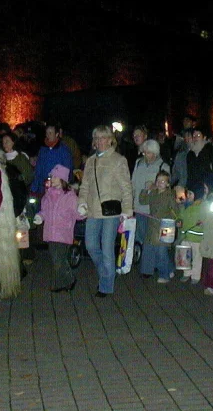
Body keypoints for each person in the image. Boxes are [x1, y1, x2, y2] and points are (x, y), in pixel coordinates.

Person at [77, 125, 133, 298]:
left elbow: (126, 187)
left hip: (111, 212)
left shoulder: (118, 160)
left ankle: (106, 285)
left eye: (103, 138)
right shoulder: (91, 161)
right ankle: (107, 273)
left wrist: (127, 209)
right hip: (93, 210)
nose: (100, 141)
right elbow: (85, 185)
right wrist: (82, 203)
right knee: (91, 246)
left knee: (107, 248)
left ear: (110, 140)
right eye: (97, 138)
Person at [34, 164, 82, 292]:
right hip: (50, 233)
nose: (52, 178)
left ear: (63, 179)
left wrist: (82, 211)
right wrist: (40, 216)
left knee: (58, 260)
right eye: (51, 176)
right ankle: (63, 282)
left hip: (63, 233)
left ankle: (68, 280)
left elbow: (77, 214)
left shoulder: (70, 197)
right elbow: (44, 210)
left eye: (55, 177)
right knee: (57, 259)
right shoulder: (48, 195)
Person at [138, 170, 177, 283]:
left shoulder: (169, 195)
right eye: (158, 180)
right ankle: (169, 268)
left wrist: (174, 220)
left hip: (165, 226)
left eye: (163, 181)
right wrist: (146, 189)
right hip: (152, 227)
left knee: (161, 251)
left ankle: (164, 275)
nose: (160, 183)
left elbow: (176, 210)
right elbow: (142, 201)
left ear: (168, 184)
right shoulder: (153, 193)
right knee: (157, 250)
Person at [131, 139, 170, 247]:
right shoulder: (138, 163)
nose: (145, 155)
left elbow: (167, 188)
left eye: (148, 153)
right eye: (144, 152)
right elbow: (133, 183)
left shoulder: (163, 166)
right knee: (140, 236)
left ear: (155, 153)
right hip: (139, 206)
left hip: (154, 208)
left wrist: (154, 186)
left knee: (152, 238)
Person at [30, 122, 74, 195]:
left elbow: (67, 170)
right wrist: (34, 188)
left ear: (56, 134)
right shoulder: (43, 150)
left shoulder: (64, 150)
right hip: (43, 188)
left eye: (50, 133)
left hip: (57, 189)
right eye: (47, 133)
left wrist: (63, 187)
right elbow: (38, 170)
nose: (48, 135)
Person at [174, 186, 203, 285]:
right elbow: (180, 216)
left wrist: (203, 221)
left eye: (191, 193)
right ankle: (186, 273)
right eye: (188, 193)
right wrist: (178, 221)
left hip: (196, 237)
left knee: (197, 257)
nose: (189, 195)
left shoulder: (201, 206)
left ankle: (195, 276)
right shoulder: (184, 206)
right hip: (185, 235)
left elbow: (206, 217)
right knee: (184, 256)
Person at [186, 127, 213, 200]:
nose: (196, 138)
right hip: (194, 191)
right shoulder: (190, 154)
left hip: (209, 190)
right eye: (194, 136)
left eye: (198, 136)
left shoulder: (212, 151)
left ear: (204, 137)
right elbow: (189, 174)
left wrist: (212, 188)